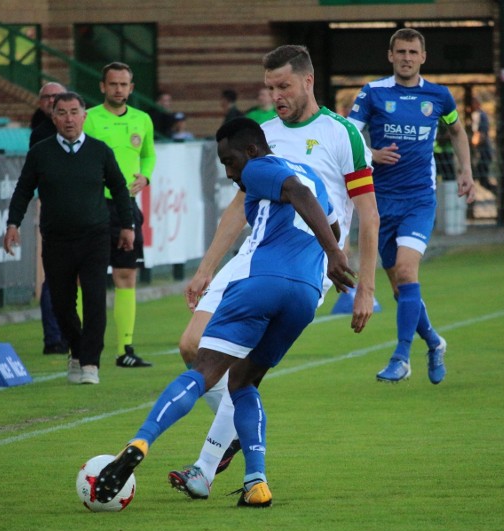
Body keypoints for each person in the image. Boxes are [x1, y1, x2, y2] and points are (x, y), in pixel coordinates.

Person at [93, 117, 357, 508]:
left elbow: (296, 192)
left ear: (251, 150)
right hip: (303, 295)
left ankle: (140, 441)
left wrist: (334, 254)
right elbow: (330, 224)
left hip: (260, 282)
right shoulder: (314, 176)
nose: (231, 173)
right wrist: (331, 257)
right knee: (244, 383)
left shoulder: (265, 167)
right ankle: (256, 481)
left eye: (231, 161)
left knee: (202, 369)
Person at [168, 44, 379, 500]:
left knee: (244, 369)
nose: (276, 95)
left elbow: (369, 213)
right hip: (254, 255)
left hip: (307, 262)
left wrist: (364, 287)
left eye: (283, 86)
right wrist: (207, 269)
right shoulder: (261, 134)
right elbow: (240, 206)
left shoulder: (343, 134)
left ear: (308, 81)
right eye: (269, 88)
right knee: (190, 345)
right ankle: (237, 431)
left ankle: (205, 466)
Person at [347, 27, 475, 384]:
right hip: (378, 203)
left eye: (412, 52)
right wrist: (370, 153)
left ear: (423, 57)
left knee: (406, 273)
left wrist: (467, 171)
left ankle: (401, 356)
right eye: (400, 52)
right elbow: (349, 132)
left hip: (419, 198)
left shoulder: (438, 96)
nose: (406, 58)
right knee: (402, 289)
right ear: (391, 56)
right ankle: (434, 342)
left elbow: (457, 130)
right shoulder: (373, 92)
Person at [4, 92, 135, 385]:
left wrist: (127, 225)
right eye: (62, 113)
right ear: (53, 118)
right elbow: (23, 190)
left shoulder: (100, 151)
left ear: (85, 115)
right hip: (56, 238)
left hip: (95, 236)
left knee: (94, 299)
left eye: (74, 112)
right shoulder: (40, 152)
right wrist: (13, 223)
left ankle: (90, 363)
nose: (69, 119)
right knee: (61, 303)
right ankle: (76, 349)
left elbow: (119, 188)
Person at [83, 61, 156, 368]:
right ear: (103, 86)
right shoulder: (89, 119)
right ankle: (81, 346)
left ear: (131, 88)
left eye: (123, 84)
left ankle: (125, 347)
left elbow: (148, 154)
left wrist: (146, 177)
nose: (118, 89)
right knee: (86, 277)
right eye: (113, 84)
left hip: (126, 207)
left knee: (126, 276)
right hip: (95, 206)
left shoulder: (143, 120)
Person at [28, 82, 70, 356]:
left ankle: (66, 334)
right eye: (47, 97)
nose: (52, 101)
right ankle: (54, 337)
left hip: (80, 210)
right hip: (55, 211)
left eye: (57, 97)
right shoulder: (42, 134)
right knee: (55, 276)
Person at [471, 96, 497, 195]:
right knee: (481, 180)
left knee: (478, 178)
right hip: (482, 153)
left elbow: (479, 135)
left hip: (482, 153)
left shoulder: (479, 115)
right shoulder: (479, 115)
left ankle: (499, 193)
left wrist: (469, 143)